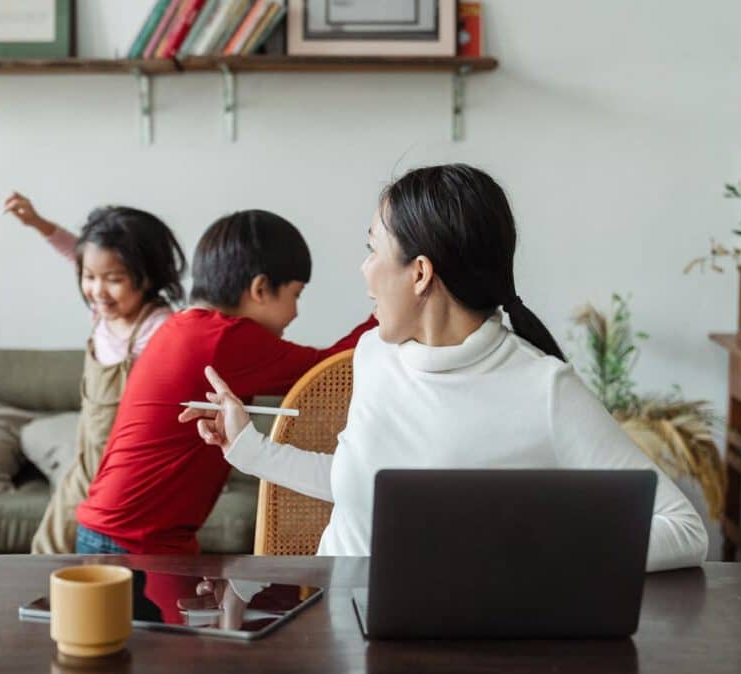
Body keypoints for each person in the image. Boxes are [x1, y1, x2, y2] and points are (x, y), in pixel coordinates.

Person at [180, 164, 709, 572]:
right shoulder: (374, 355)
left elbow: (684, 530)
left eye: (372, 249)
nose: (364, 271)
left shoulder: (543, 389)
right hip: (336, 628)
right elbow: (361, 486)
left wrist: (535, 549)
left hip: (458, 640)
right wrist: (249, 448)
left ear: (420, 273)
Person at [74, 209, 377, 555]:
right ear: (261, 289)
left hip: (120, 531)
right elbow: (326, 373)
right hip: (133, 541)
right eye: (296, 295)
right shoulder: (222, 339)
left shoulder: (185, 327)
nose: (295, 312)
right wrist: (386, 307)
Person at [2, 192, 185, 554]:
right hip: (85, 462)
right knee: (47, 550)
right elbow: (79, 253)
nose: (98, 290)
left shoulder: (159, 329)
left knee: (92, 563)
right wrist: (39, 224)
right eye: (89, 277)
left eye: (114, 279)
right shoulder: (104, 312)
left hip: (123, 476)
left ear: (147, 276)